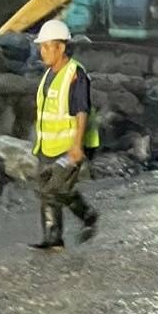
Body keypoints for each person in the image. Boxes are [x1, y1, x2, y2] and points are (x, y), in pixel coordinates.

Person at [29, 19, 100, 251]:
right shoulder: (49, 74)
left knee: (55, 188)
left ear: (60, 47)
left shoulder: (75, 74)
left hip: (70, 144)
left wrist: (77, 146)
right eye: (41, 47)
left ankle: (87, 214)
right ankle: (53, 238)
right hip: (48, 145)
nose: (42, 51)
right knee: (45, 187)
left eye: (46, 46)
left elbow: (82, 111)